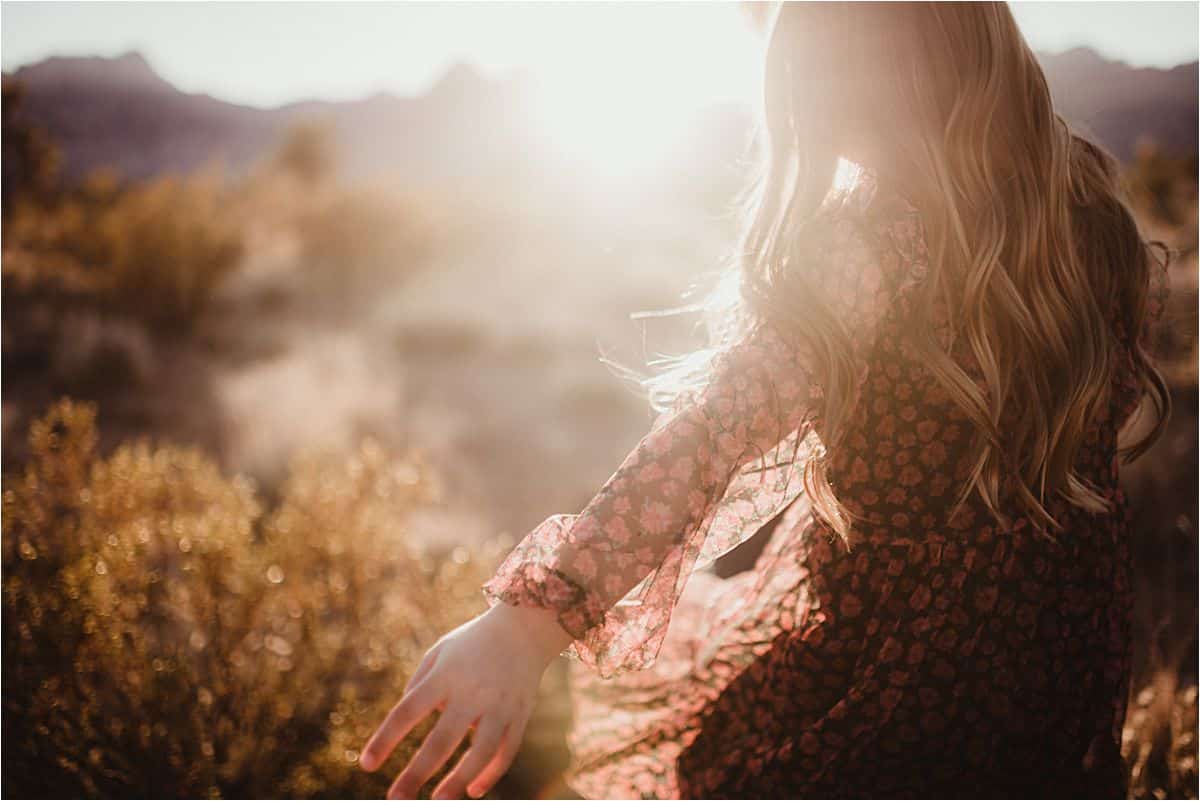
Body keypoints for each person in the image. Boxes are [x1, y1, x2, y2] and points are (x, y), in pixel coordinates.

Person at [359, 2, 1172, 798]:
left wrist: (530, 622)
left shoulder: (873, 246)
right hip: (1059, 683)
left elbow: (712, 433)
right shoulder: (1093, 217)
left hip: (891, 692)